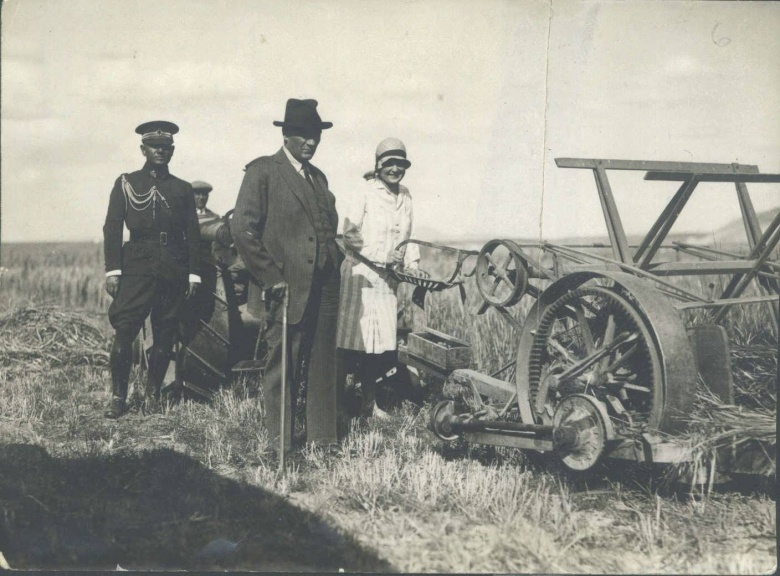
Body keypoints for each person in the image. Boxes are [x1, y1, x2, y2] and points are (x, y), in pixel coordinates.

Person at [231, 98, 341, 454]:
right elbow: (242, 230)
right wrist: (271, 278)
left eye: (316, 135)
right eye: (303, 135)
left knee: (323, 360)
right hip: (285, 287)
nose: (310, 141)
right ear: (287, 135)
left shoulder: (319, 177)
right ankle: (281, 442)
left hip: (324, 285)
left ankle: (322, 438)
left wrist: (335, 261)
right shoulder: (263, 171)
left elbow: (327, 228)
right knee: (284, 363)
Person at [103, 121, 201, 418]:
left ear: (172, 151)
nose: (161, 151)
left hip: (173, 268)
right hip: (136, 267)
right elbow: (112, 227)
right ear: (143, 149)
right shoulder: (126, 182)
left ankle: (152, 395)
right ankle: (118, 399)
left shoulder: (183, 189)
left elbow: (193, 234)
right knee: (125, 331)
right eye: (155, 146)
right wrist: (113, 270)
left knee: (165, 334)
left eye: (166, 147)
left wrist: (193, 273)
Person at [336, 137, 420, 418]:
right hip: (361, 277)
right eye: (390, 163)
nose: (395, 169)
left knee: (377, 347)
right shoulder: (364, 191)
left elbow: (408, 237)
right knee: (351, 342)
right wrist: (383, 256)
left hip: (387, 282)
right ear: (379, 165)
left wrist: (413, 264)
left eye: (401, 164)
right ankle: (335, 402)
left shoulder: (406, 195)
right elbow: (349, 235)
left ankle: (369, 404)